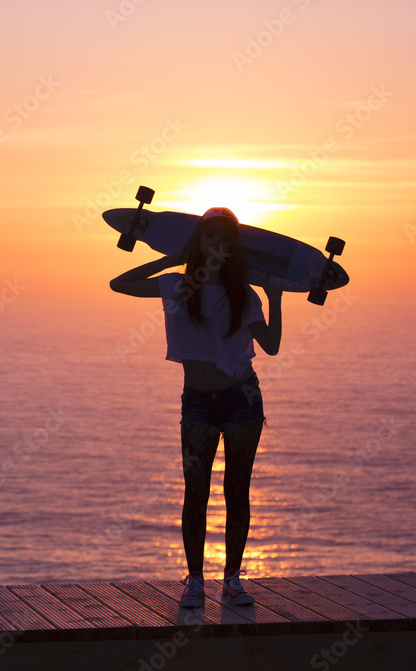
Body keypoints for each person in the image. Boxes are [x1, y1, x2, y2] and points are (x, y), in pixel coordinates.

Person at [109, 207, 282, 607]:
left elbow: (270, 346)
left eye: (226, 240)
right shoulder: (176, 286)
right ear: (199, 242)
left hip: (243, 401)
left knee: (237, 492)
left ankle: (234, 579)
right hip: (198, 405)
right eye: (210, 238)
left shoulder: (244, 294)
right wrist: (172, 256)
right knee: (195, 493)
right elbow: (121, 282)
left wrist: (273, 296)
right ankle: (195, 581)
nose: (218, 246)